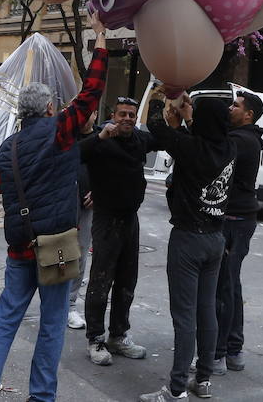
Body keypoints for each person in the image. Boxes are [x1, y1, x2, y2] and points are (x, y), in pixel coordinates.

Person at [0, 14, 109, 402]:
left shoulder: (6, 148)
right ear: (49, 109)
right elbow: (91, 91)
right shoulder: (61, 132)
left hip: (19, 247)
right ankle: (42, 396)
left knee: (4, 321)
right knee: (52, 323)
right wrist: (100, 38)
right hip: (58, 243)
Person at [140, 91, 235, 402]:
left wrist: (156, 94)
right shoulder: (230, 147)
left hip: (188, 240)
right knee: (207, 311)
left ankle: (177, 388)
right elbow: (200, 133)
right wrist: (190, 115)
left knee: (184, 316)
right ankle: (203, 379)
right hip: (215, 239)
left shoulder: (191, 147)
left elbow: (156, 125)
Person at [78, 95, 155, 366]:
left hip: (130, 219)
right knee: (101, 281)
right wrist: (100, 138)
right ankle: (95, 339)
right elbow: (78, 154)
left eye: (131, 115)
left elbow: (165, 138)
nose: (127, 119)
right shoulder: (101, 139)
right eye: (122, 114)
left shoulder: (139, 140)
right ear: (113, 115)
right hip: (106, 219)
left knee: (126, 281)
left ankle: (118, 335)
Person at [212, 92, 263, 376]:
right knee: (231, 285)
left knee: (224, 286)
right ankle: (233, 349)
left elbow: (213, 153)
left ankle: (220, 354)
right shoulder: (244, 138)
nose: (230, 108)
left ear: (249, 116)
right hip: (238, 219)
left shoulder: (241, 141)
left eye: (236, 106)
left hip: (235, 221)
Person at [67, 120, 94, 331]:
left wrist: (100, 190)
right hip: (63, 205)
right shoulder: (65, 136)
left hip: (86, 208)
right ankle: (57, 303)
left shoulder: (101, 139)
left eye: (91, 113)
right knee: (59, 254)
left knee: (80, 254)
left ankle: (70, 304)